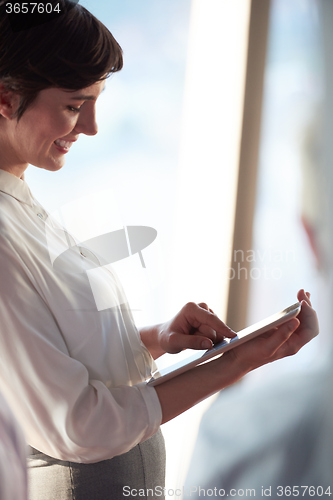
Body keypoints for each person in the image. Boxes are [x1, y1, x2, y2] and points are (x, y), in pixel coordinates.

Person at [0, 1, 319, 499]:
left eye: (96, 102)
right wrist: (237, 362)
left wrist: (154, 338)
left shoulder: (21, 206)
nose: (91, 127)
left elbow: (63, 354)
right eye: (73, 105)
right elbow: (76, 425)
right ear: (5, 98)